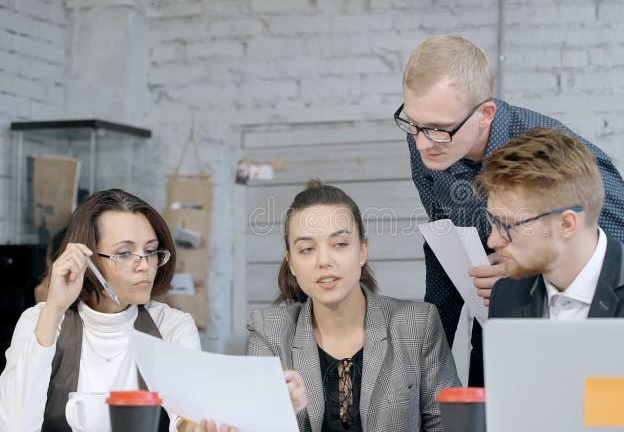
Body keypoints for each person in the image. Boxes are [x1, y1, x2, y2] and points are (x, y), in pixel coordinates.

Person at [396, 34, 624, 385]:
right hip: (493, 329)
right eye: (412, 124)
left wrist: (527, 277)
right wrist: (427, 363)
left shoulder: (559, 156)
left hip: (571, 340)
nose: (421, 143)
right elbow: (444, 242)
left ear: (485, 114)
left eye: (439, 130)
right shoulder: (428, 137)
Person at [0, 189, 234, 432]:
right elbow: (14, 425)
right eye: (124, 253)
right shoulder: (40, 321)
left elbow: (186, 418)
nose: (144, 265)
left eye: (151, 251)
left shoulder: (171, 326)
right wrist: (55, 308)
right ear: (87, 260)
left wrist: (196, 427)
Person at [247, 181, 461, 432]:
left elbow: (450, 426)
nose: (324, 260)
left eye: (340, 244)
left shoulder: (418, 324)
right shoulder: (269, 333)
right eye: (307, 249)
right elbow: (255, 424)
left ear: (362, 251)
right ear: (291, 263)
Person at [475, 127, 624, 319]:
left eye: (507, 225)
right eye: (492, 221)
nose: (492, 240)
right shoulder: (506, 297)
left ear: (566, 224)